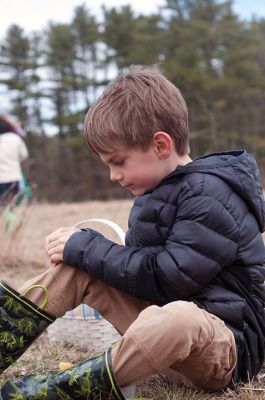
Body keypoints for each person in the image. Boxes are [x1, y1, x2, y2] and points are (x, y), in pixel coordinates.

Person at [0, 66, 265, 399]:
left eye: (119, 161)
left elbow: (170, 278)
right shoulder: (151, 194)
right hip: (162, 345)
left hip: (222, 352)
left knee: (180, 317)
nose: (113, 175)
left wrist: (88, 247)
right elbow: (137, 272)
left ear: (160, 145)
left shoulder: (211, 193)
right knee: (77, 268)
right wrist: (82, 254)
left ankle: (59, 392)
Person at [0, 114, 28, 204]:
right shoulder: (15, 138)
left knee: (3, 203)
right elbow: (24, 154)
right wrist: (15, 161)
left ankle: (6, 215)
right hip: (14, 176)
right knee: (10, 202)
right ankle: (9, 216)